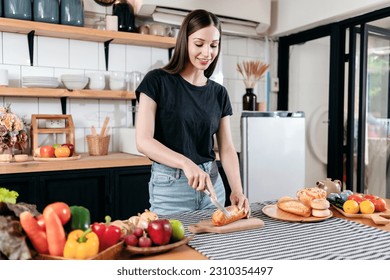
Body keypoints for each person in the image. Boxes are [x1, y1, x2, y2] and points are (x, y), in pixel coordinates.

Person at [135, 9, 250, 216]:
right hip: (171, 188)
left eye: (214, 45)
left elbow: (227, 148)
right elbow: (143, 141)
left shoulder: (219, 93)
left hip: (213, 187)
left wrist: (237, 189)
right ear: (184, 41)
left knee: (215, 248)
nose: (207, 53)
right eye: (199, 44)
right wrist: (185, 162)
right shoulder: (157, 81)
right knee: (174, 247)